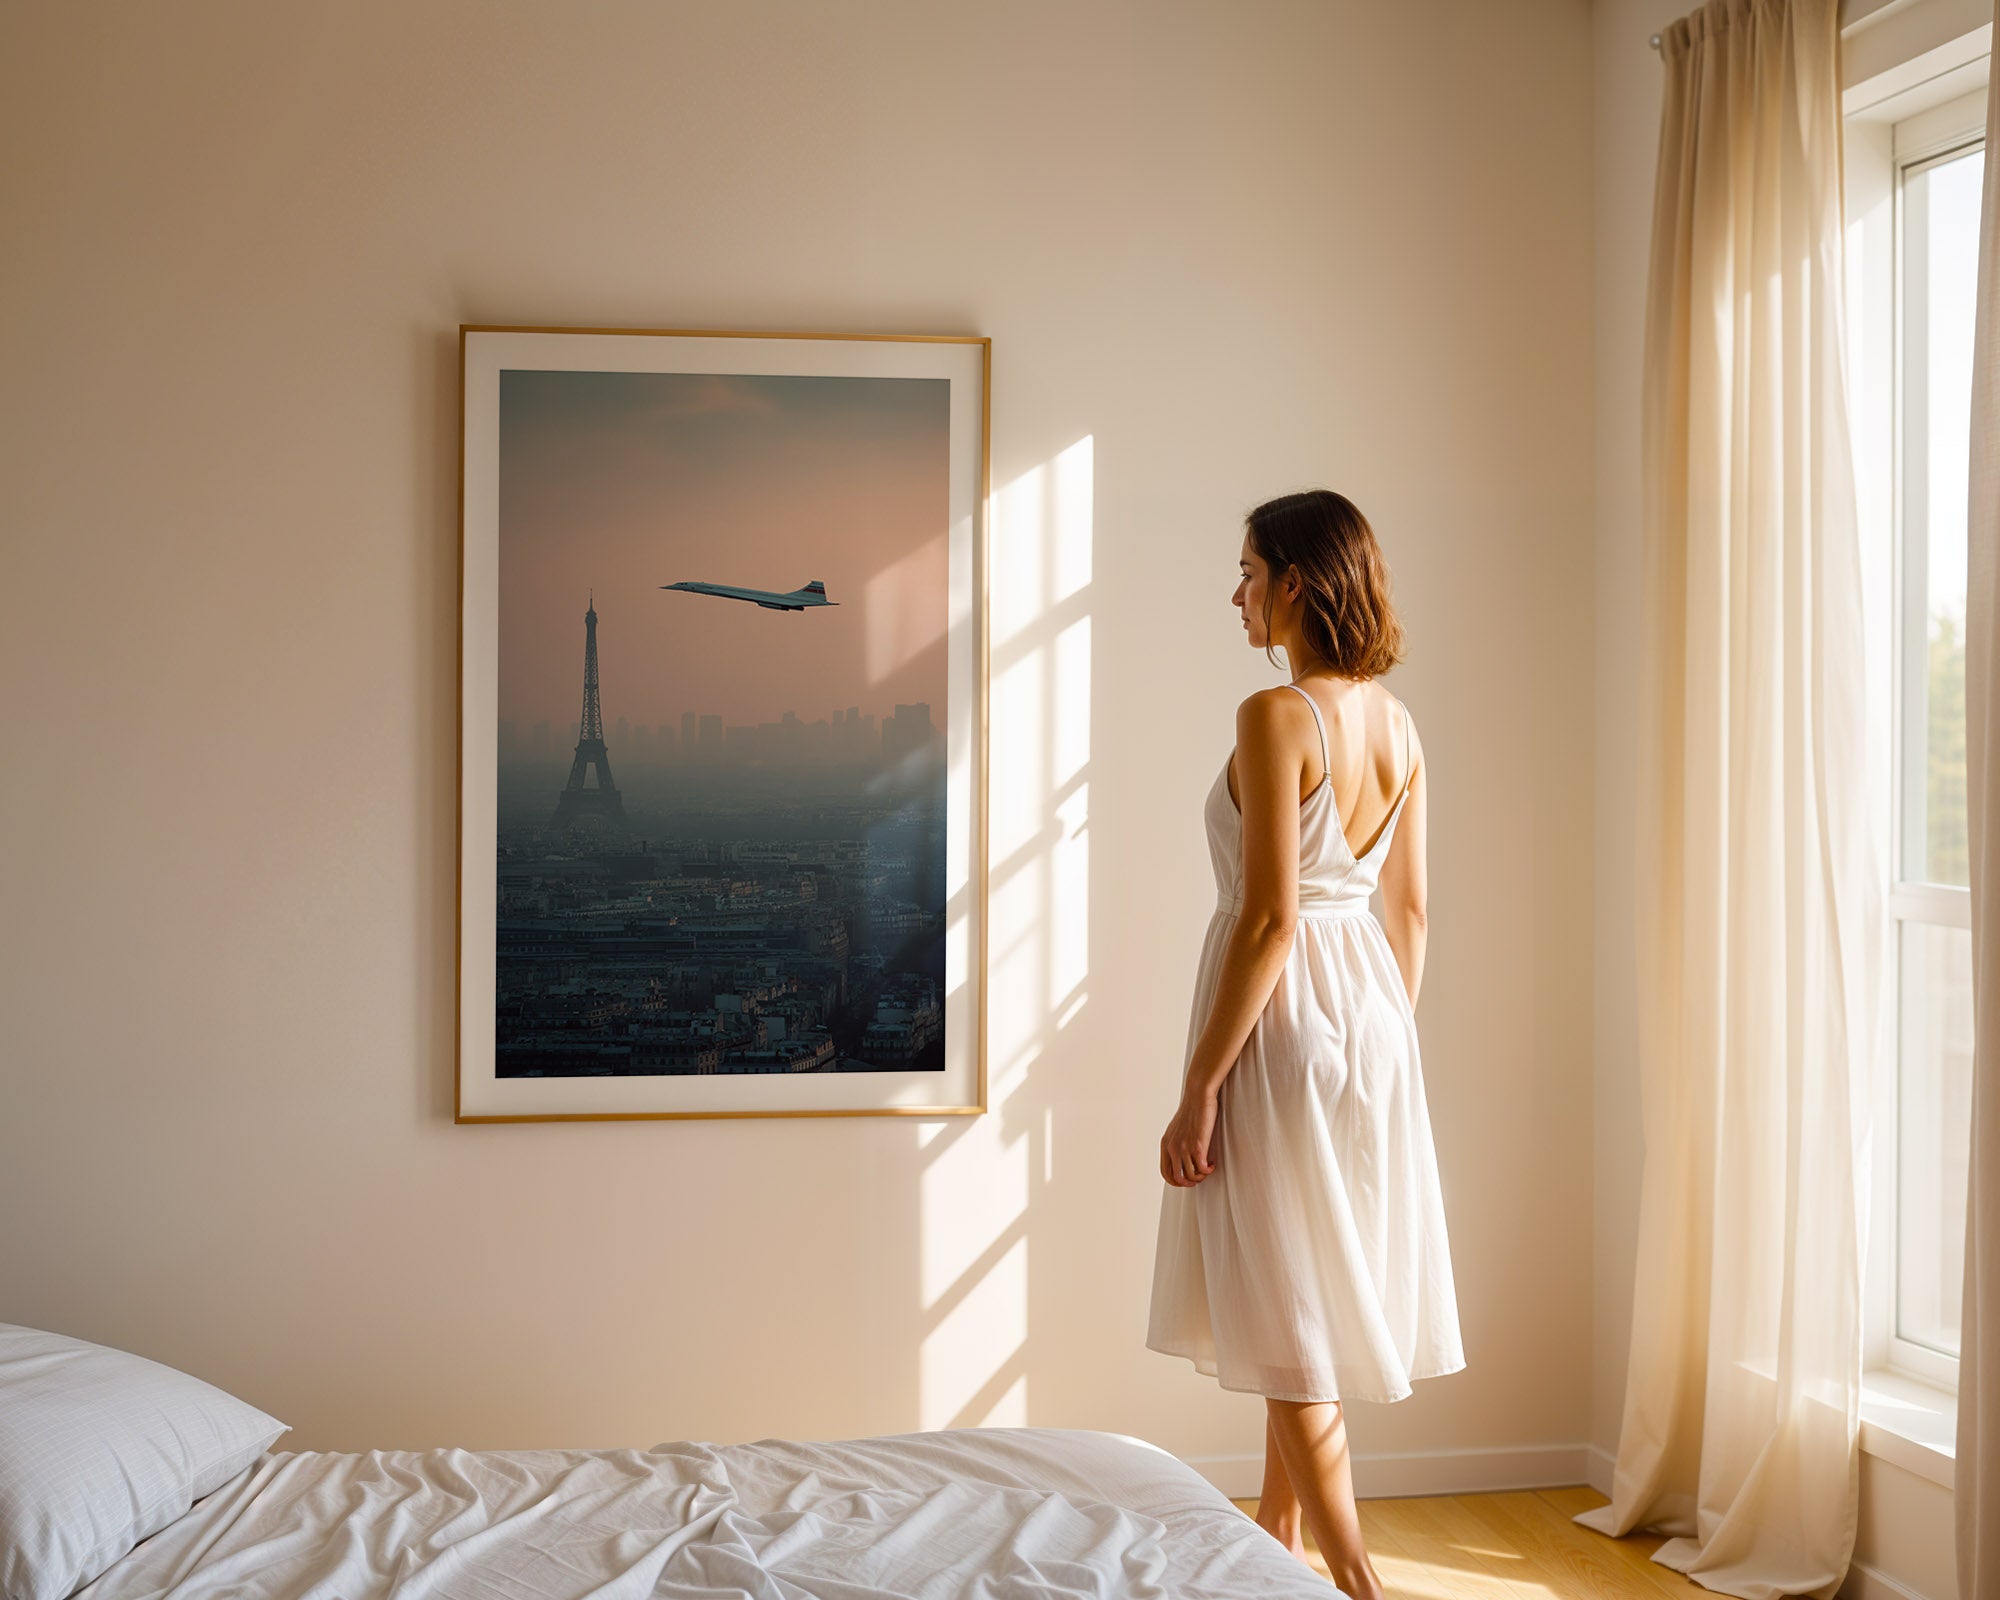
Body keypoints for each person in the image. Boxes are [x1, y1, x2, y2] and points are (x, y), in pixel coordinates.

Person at [1146, 489, 1465, 1599]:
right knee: (1315, 1286)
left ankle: (1360, 1583)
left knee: (1290, 1314)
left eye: (1246, 571)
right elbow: (1411, 912)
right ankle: (1271, 1547)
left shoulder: (1274, 715)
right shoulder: (1399, 723)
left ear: (1295, 579)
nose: (1234, 594)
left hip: (1279, 1017)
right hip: (1371, 1014)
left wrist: (1198, 1085)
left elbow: (1269, 917)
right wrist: (1378, 1041)